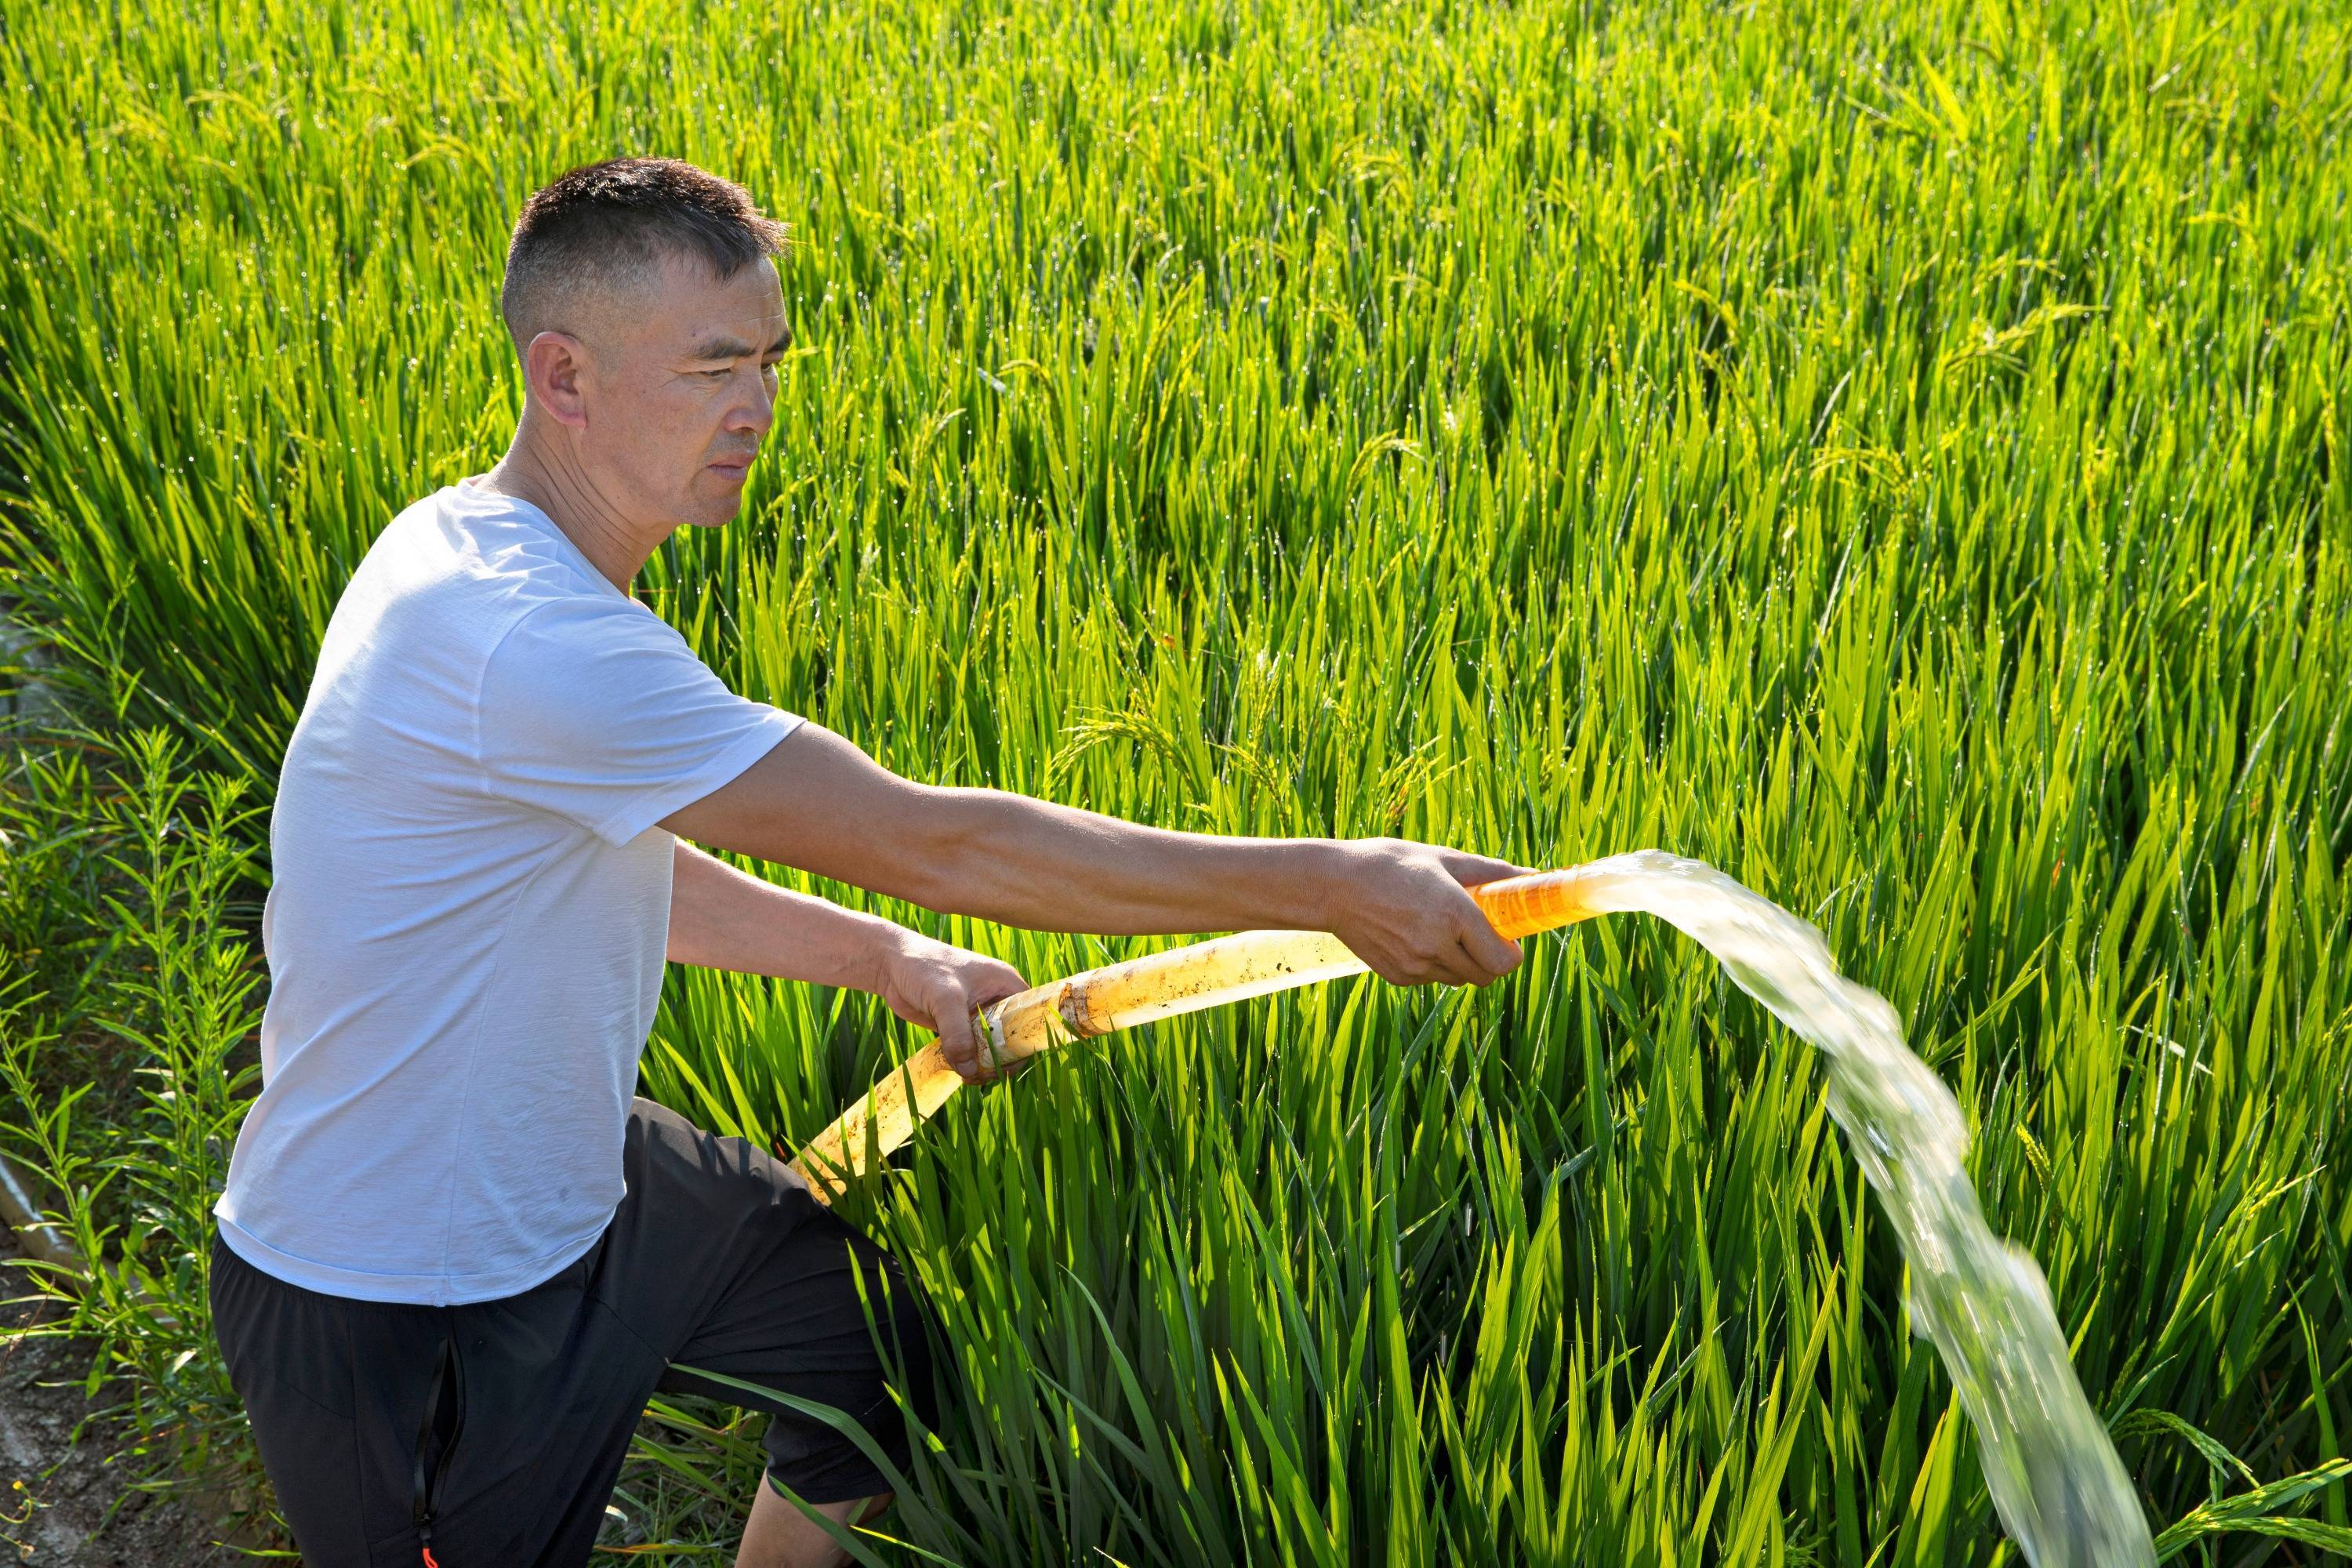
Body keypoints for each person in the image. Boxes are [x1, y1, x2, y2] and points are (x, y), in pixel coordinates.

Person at [207, 155, 1528, 1568]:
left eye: (771, 361)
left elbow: (589, 867)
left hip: (585, 1180)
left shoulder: (466, 543)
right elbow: (932, 839)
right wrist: (1334, 885)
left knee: (869, 1360)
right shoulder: (531, 639)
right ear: (565, 377)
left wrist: (877, 959)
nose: (759, 408)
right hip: (409, 1294)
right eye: (715, 367)